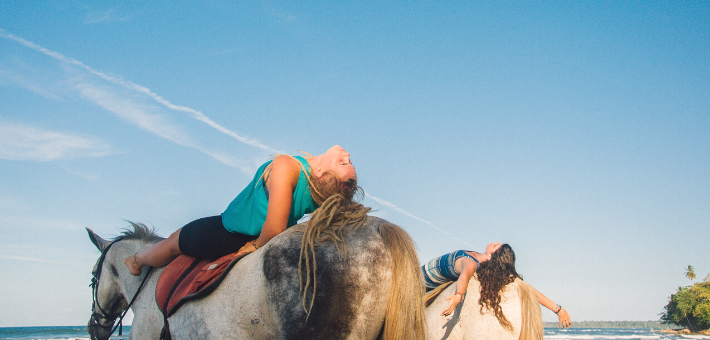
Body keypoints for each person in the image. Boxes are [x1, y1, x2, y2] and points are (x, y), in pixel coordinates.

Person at [125, 145, 360, 276]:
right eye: (349, 162)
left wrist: (254, 246)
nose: (347, 156)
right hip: (249, 231)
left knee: (175, 240)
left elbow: (276, 227)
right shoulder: (318, 186)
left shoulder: (287, 167)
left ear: (320, 173)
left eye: (344, 163)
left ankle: (136, 260)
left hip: (232, 231)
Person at [422, 243, 572, 329]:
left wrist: (459, 295)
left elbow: (464, 278)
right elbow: (525, 287)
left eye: (496, 247)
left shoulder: (471, 263)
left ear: (490, 257)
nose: (495, 242)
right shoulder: (479, 262)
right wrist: (557, 309)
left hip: (422, 281)